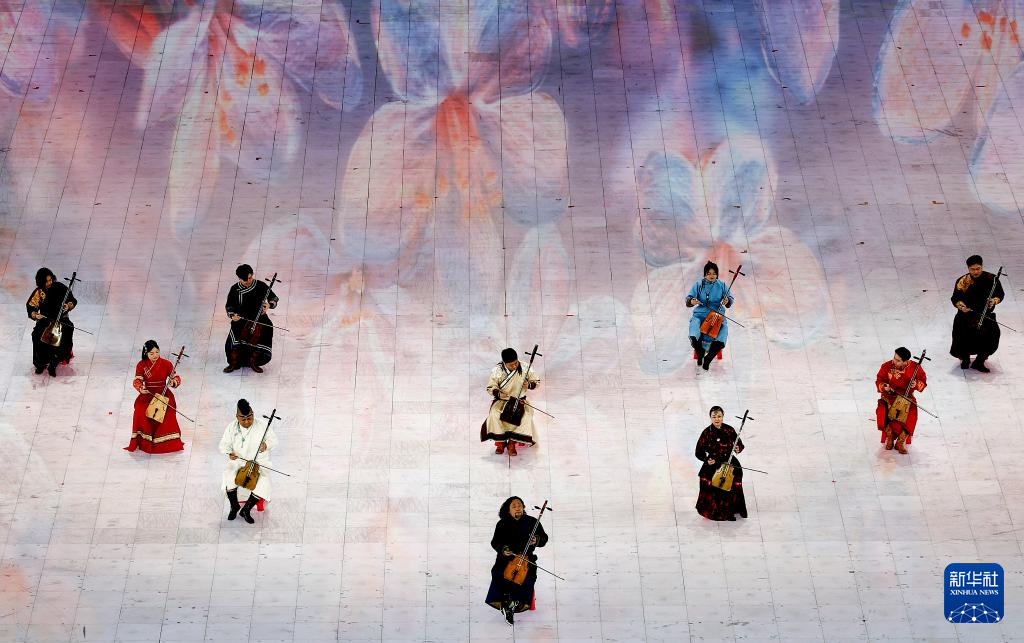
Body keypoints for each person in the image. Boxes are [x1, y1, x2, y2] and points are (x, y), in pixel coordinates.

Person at [484, 496, 548, 625]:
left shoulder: (532, 521)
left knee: (529, 576)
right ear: (508, 510)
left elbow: (544, 538)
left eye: (519, 505)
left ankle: (514, 603)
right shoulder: (502, 523)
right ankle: (504, 602)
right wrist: (504, 549)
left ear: (523, 508)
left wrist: (537, 540)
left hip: (526, 558)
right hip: (507, 557)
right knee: (499, 572)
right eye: (514, 506)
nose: (517, 508)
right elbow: (495, 542)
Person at [219, 399, 278, 523]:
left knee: (264, 483)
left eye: (249, 418)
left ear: (253, 414)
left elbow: (274, 440)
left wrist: (266, 445)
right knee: (229, 476)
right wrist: (230, 453)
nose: (247, 422)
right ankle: (234, 506)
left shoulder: (262, 425)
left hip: (258, 463)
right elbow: (223, 445)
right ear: (237, 417)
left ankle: (246, 509)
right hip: (238, 461)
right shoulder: (231, 427)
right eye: (243, 419)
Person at [125, 340, 185, 453]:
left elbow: (176, 378)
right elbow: (137, 381)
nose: (155, 355)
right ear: (146, 353)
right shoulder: (141, 365)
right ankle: (145, 441)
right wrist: (140, 388)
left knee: (167, 411)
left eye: (157, 352)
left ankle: (165, 442)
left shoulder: (167, 364)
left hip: (163, 393)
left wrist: (173, 382)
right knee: (141, 409)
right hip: (148, 393)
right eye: (151, 353)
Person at [480, 348, 540, 455]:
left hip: (520, 401)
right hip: (503, 401)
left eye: (516, 363)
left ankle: (512, 442)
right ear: (504, 363)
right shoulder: (497, 370)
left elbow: (536, 381)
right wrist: (499, 394)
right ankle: (501, 442)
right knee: (494, 414)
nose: (515, 366)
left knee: (526, 417)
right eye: (511, 364)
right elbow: (491, 387)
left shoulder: (525, 367)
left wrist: (529, 385)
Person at [950, 255, 1005, 372]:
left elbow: (1000, 294)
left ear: (982, 266)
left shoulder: (992, 279)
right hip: (966, 315)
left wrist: (994, 301)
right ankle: (965, 359)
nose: (975, 272)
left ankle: (979, 361)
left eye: (978, 268)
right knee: (963, 337)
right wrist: (962, 307)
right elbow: (955, 298)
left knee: (992, 336)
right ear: (968, 268)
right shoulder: (962, 281)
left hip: (985, 315)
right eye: (972, 269)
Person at [694, 406, 747, 521]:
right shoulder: (706, 432)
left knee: (734, 478)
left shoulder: (729, 430)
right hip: (713, 462)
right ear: (710, 417)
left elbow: (739, 443)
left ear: (723, 416)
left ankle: (730, 510)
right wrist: (707, 459)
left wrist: (738, 448)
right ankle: (717, 511)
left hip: (729, 461)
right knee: (712, 481)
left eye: (719, 416)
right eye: (714, 417)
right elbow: (698, 451)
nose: (717, 419)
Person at [224, 264, 279, 373]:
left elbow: (274, 298)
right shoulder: (235, 289)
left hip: (259, 317)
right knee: (236, 334)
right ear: (239, 278)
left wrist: (269, 305)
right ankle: (234, 363)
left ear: (252, 274)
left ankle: (253, 361)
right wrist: (232, 315)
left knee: (267, 329)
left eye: (249, 278)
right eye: (244, 280)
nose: (248, 281)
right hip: (242, 318)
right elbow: (229, 305)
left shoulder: (261, 285)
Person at [875, 347, 927, 454]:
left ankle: (901, 440)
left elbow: (923, 383)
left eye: (898, 360)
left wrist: (915, 384)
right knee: (881, 411)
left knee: (912, 414)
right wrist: (884, 387)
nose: (894, 361)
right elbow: (879, 380)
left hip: (907, 397)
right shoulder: (886, 366)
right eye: (894, 358)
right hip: (889, 396)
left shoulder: (915, 367)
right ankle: (889, 436)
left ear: (906, 361)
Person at [25, 267, 76, 376]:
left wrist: (68, 306)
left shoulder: (59, 287)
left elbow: (72, 300)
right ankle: (40, 363)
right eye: (46, 281)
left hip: (61, 319)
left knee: (68, 328)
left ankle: (55, 362)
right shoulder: (39, 292)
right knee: (36, 335)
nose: (49, 283)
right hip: (45, 320)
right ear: (41, 282)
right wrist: (35, 315)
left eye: (50, 280)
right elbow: (31, 306)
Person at [685, 261, 734, 370]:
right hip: (700, 313)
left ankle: (708, 358)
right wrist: (692, 301)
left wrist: (726, 301)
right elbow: (689, 298)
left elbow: (730, 298)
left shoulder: (722, 285)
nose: (712, 275)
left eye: (714, 273)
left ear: (717, 274)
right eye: (709, 273)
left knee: (723, 329)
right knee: (694, 325)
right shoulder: (698, 284)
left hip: (717, 314)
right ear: (705, 274)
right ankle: (700, 351)